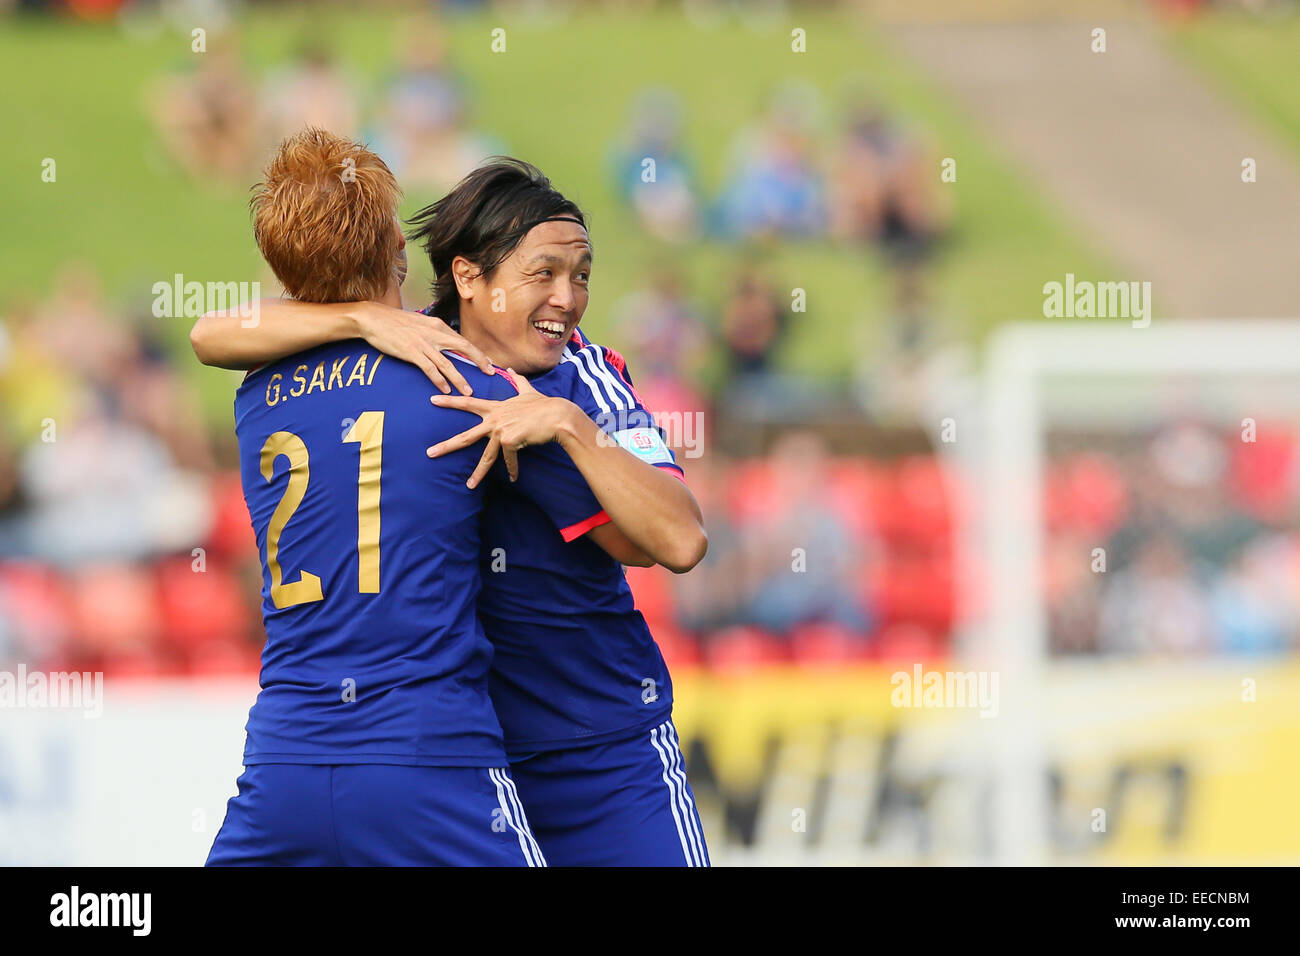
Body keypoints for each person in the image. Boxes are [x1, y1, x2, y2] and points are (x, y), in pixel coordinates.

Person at [193, 156, 713, 866]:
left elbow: (675, 536)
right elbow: (209, 332)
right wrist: (362, 316)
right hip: (463, 760)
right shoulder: (427, 357)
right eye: (544, 274)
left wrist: (565, 424)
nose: (568, 297)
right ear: (468, 277)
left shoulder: (581, 377)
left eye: (581, 274)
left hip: (598, 749)